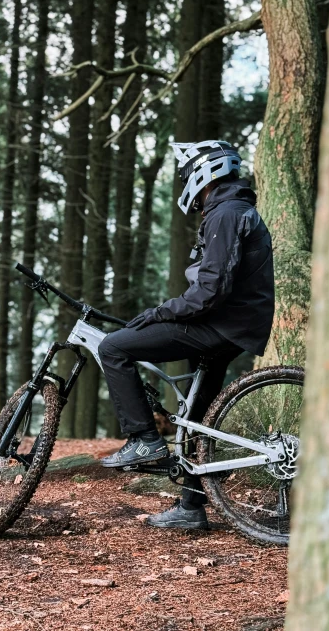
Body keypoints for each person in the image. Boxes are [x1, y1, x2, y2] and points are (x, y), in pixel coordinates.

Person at [98, 140, 275, 529]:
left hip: (220, 325)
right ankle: (191, 510)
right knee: (198, 416)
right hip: (232, 324)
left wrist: (160, 312)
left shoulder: (227, 213)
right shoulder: (230, 209)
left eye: (185, 176)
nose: (184, 185)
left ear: (204, 172)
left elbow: (210, 290)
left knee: (113, 348)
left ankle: (144, 439)